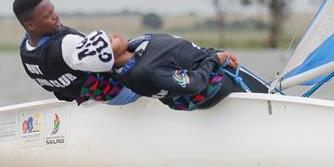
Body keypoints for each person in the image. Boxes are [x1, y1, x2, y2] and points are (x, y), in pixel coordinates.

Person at [13, 0, 138, 105]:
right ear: (30, 25)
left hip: (90, 99)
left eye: (53, 10)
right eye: (47, 16)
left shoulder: (26, 51)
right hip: (122, 92)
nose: (55, 16)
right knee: (147, 45)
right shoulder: (67, 44)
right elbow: (117, 52)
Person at [108, 33, 268, 111]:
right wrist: (215, 59)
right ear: (108, 57)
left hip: (212, 65)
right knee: (267, 95)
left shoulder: (136, 45)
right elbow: (194, 84)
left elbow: (185, 53)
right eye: (109, 41)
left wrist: (212, 53)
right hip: (213, 85)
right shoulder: (146, 70)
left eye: (105, 35)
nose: (111, 35)